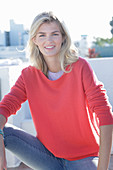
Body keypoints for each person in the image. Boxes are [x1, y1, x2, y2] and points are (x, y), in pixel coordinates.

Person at [0, 11, 113, 170]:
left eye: (54, 34)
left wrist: (103, 167)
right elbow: (4, 108)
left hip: (84, 156)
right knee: (4, 131)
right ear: (34, 40)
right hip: (47, 156)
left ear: (63, 38)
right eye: (42, 35)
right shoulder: (28, 75)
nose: (49, 40)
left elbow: (105, 114)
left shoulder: (80, 67)